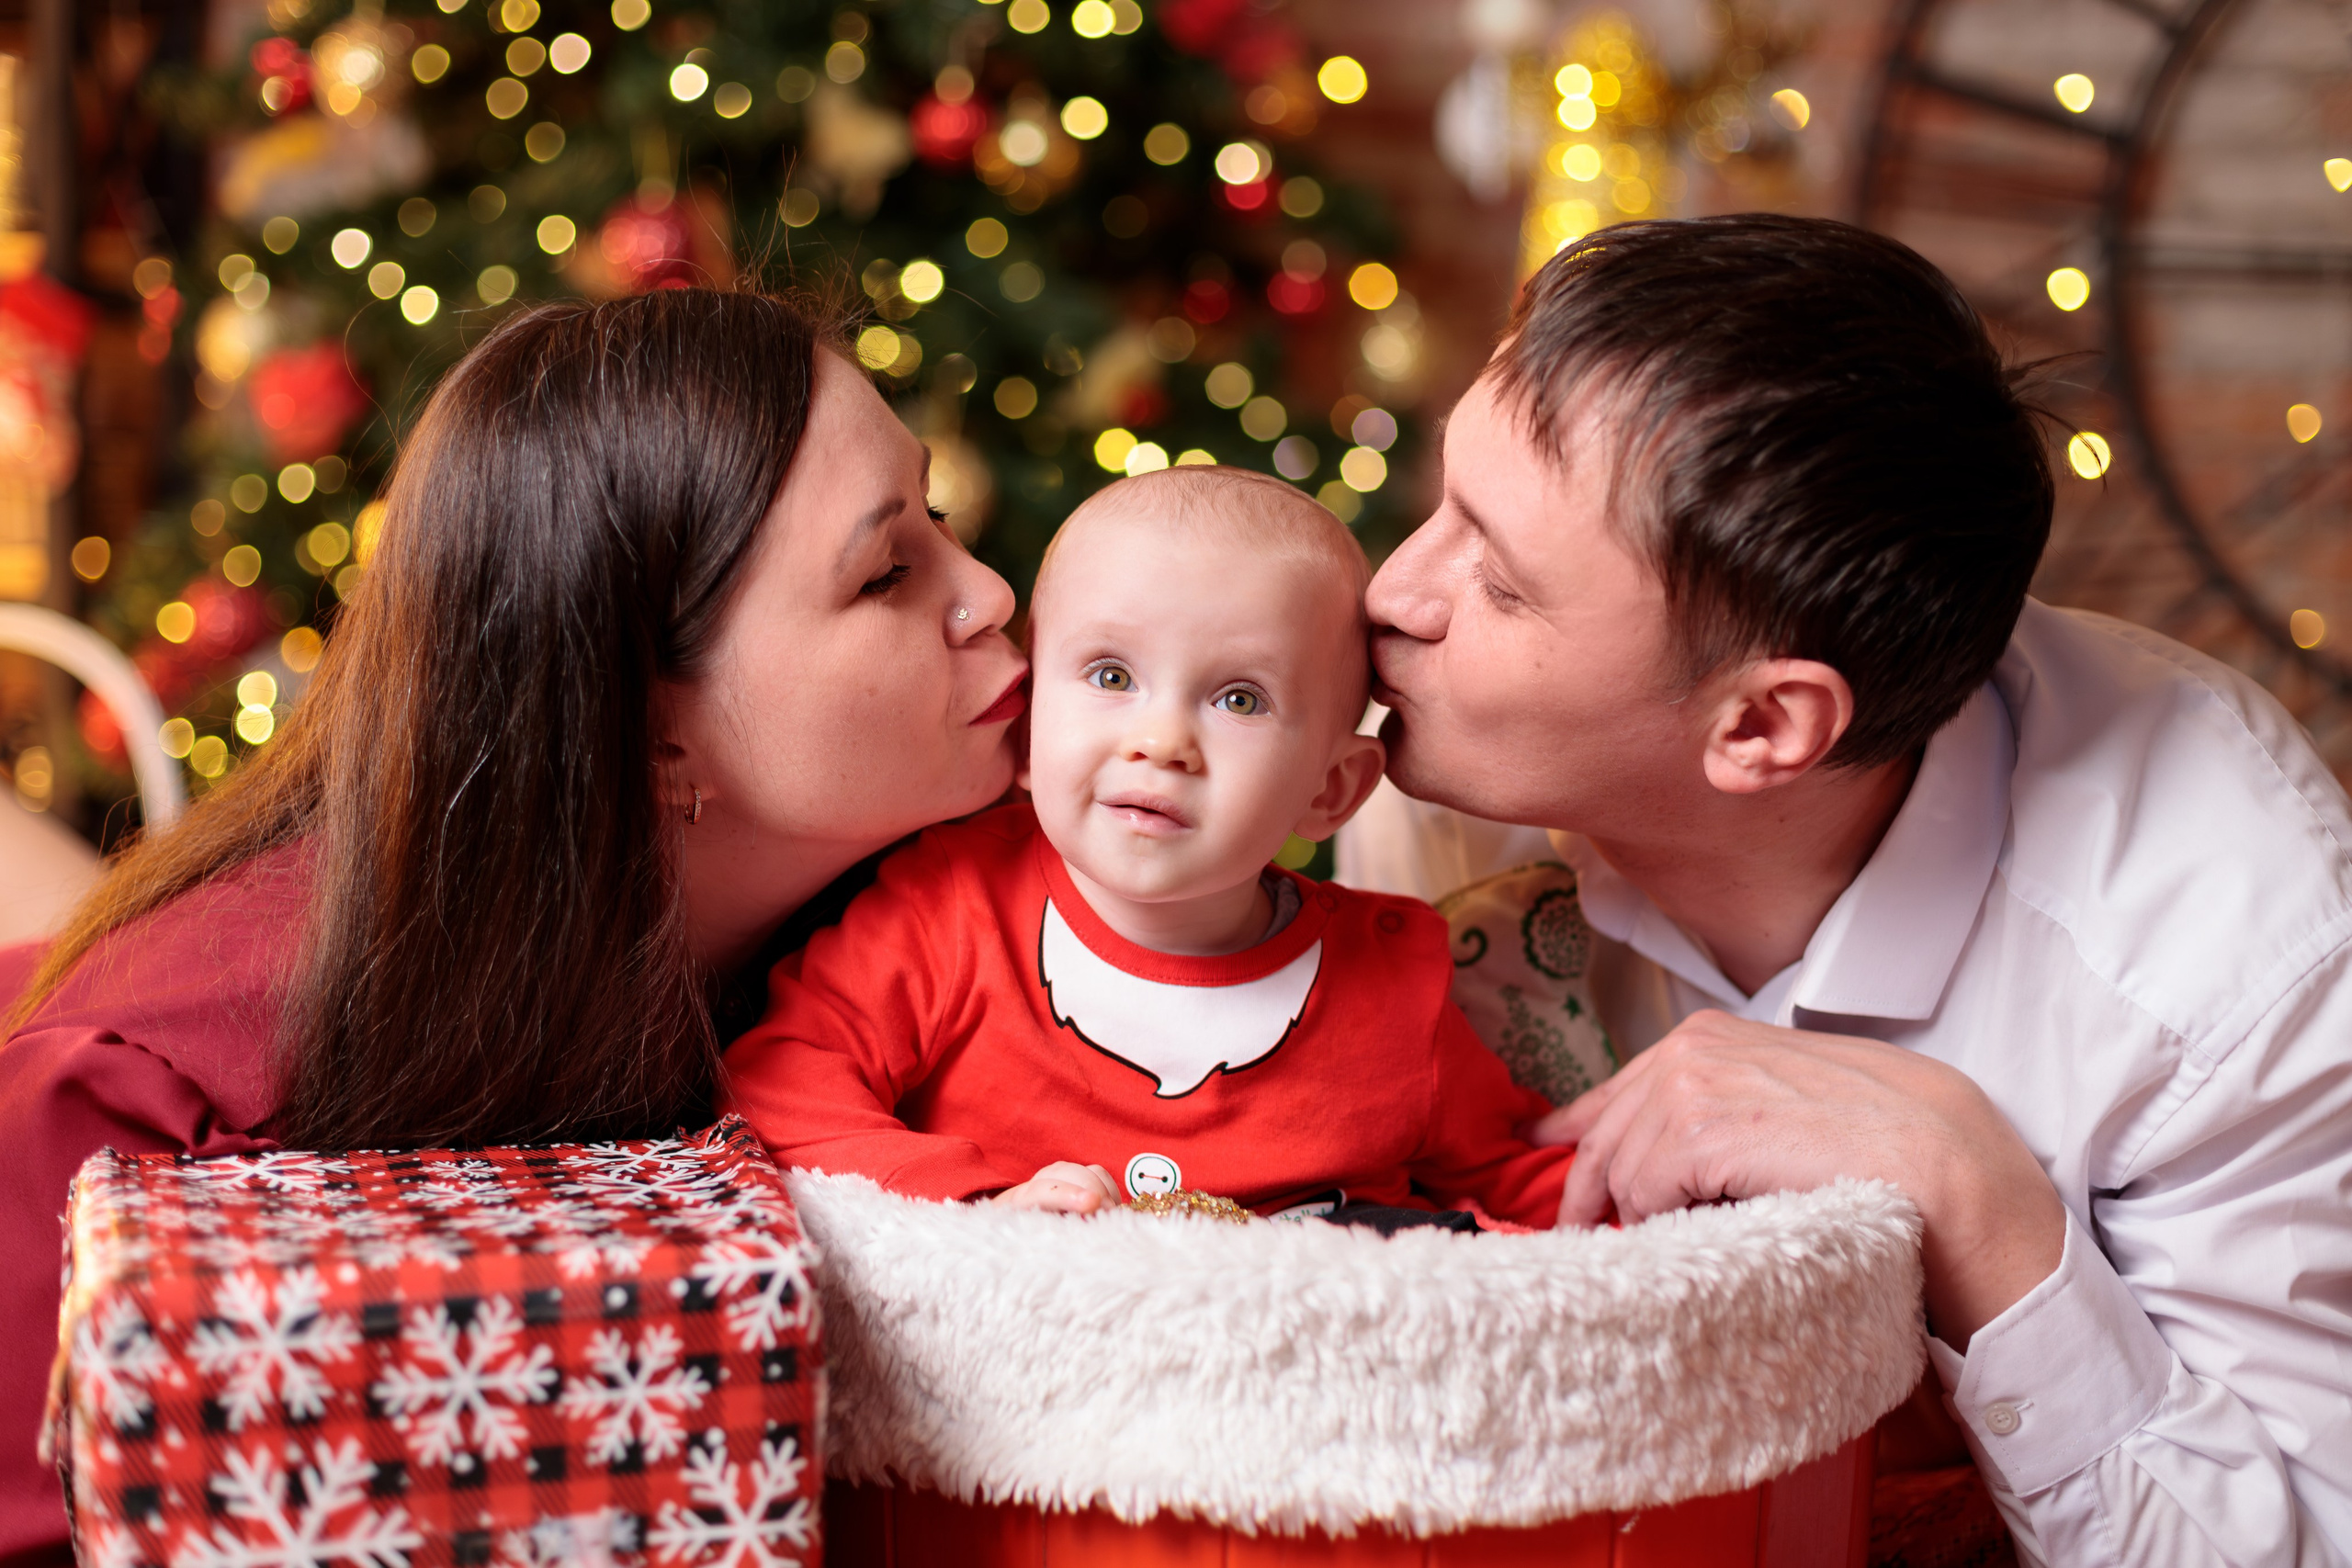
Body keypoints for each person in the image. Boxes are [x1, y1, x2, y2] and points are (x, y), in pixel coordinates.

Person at [1347, 214, 2352, 1562]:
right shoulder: (1435, 780)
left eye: (1503, 583)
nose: (1393, 593)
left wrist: (1971, 1195)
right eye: (1442, 503)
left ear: (1762, 727)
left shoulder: (2232, 945)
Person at [0, 288, 1030, 1567]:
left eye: (938, 515)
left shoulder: (958, 872)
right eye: (886, 569)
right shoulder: (145, 1121)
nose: (989, 589)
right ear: (653, 732)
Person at [724, 467, 1573, 1228]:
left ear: (1330, 789)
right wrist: (974, 1206)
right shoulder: (949, 904)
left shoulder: (1396, 988)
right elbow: (782, 1078)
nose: (1161, 741)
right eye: (1111, 677)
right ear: (1027, 725)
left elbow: (1522, 1189)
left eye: (1240, 699)